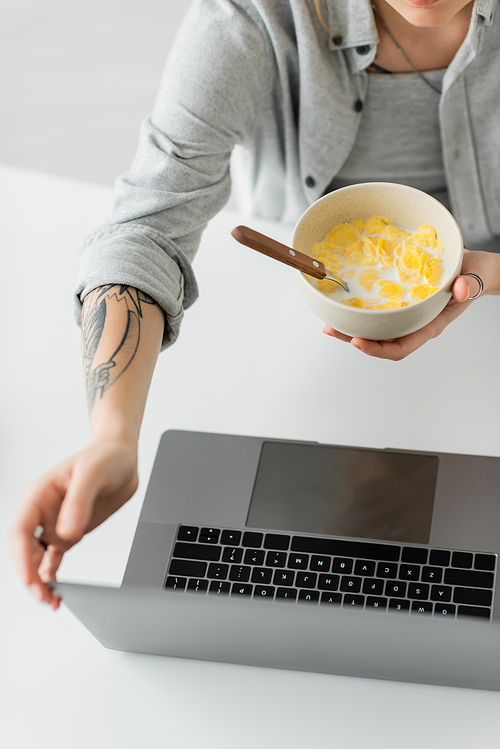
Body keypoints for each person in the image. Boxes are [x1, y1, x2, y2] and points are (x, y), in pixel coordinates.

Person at [10, 0, 500, 609]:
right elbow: (146, 231)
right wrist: (114, 437)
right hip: (288, 358)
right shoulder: (251, 17)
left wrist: (490, 276)